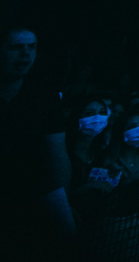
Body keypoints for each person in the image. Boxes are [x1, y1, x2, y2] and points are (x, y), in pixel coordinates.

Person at [0, 27, 77, 259]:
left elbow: (57, 155)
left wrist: (62, 204)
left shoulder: (44, 97)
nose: (25, 53)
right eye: (16, 47)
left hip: (26, 203)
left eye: (31, 47)